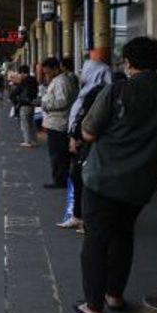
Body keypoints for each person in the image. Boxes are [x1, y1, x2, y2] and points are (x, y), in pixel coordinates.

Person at [75, 37, 157, 313]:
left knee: (96, 240)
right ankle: (114, 295)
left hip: (102, 180)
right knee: (123, 235)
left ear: (128, 63)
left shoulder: (117, 91)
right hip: (140, 183)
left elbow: (88, 131)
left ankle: (93, 305)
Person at [60, 60, 111, 229]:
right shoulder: (93, 90)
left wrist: (75, 138)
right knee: (78, 177)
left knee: (82, 178)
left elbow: (86, 119)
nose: (82, 73)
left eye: (85, 70)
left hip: (88, 142)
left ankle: (85, 220)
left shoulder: (97, 93)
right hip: (88, 141)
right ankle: (77, 215)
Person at [40, 57, 78, 189]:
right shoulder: (59, 80)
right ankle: (61, 178)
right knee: (59, 154)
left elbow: (63, 101)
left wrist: (45, 104)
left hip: (58, 123)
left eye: (48, 72)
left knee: (58, 154)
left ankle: (60, 180)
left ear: (56, 69)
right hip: (57, 122)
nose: (46, 75)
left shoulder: (61, 81)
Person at [9, 64, 39, 147]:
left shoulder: (24, 81)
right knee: (31, 123)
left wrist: (14, 100)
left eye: (19, 73)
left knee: (25, 124)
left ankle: (27, 141)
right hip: (32, 104)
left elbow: (15, 92)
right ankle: (34, 140)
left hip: (24, 104)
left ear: (22, 73)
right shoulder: (34, 80)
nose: (19, 75)